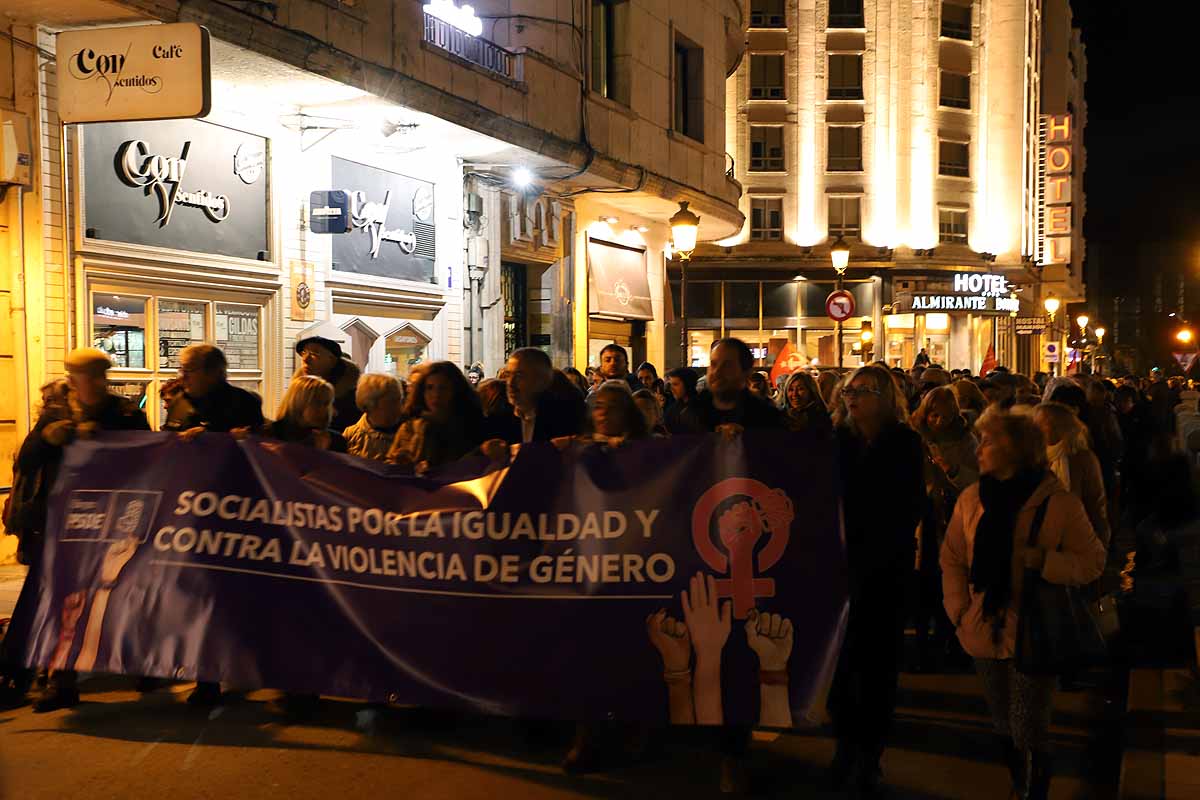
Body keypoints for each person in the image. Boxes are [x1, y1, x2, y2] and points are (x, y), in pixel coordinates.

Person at [941, 410, 1105, 800]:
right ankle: (1019, 782)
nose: (979, 450)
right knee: (1001, 721)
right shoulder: (972, 498)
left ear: (1016, 450)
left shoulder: (1058, 503)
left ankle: (1035, 791)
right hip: (983, 622)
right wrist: (959, 610)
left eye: (990, 442)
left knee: (1028, 724)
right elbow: (953, 557)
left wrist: (1046, 562)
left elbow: (1092, 560)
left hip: (1036, 625)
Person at [1, 349, 150, 712]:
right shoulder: (54, 413)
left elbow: (148, 458)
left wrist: (106, 439)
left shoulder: (126, 414)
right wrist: (48, 438)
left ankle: (141, 660)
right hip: (58, 527)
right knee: (58, 602)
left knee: (116, 596)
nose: (98, 382)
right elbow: (26, 460)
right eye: (89, 375)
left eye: (102, 374)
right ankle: (58, 680)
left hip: (109, 524)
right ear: (72, 378)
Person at [827, 365, 925, 796]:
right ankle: (844, 745)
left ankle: (871, 753)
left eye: (863, 391)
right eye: (848, 391)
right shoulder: (837, 442)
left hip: (884, 569)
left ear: (885, 397)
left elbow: (908, 506)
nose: (853, 398)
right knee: (841, 666)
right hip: (840, 569)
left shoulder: (904, 444)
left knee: (879, 666)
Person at [910, 386, 979, 672]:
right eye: (933, 416)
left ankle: (948, 637)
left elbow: (977, 481)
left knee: (949, 577)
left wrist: (952, 470)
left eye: (944, 417)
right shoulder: (915, 438)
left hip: (952, 515)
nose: (937, 422)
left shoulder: (966, 440)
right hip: (921, 516)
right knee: (921, 578)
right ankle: (922, 640)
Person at [1033, 402, 1111, 548]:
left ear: (1061, 427)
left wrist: (1099, 540)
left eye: (1042, 423)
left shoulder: (1082, 458)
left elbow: (1095, 502)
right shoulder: (1035, 458)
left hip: (1075, 537)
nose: (1036, 429)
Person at [387, 362, 484, 472]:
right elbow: (390, 466)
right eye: (430, 388)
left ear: (456, 390)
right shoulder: (409, 428)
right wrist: (400, 464)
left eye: (443, 388)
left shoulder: (470, 427)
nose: (436, 394)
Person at [678, 339, 786, 435]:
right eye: (713, 364)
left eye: (727, 365)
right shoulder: (688, 414)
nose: (716, 371)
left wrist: (748, 437)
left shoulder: (766, 417)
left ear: (746, 373)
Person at [485, 347, 585, 446]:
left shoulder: (564, 419)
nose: (510, 383)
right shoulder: (498, 419)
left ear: (542, 379)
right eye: (508, 375)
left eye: (519, 375)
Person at [166, 344, 265, 437]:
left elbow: (257, 447)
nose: (182, 376)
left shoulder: (243, 403)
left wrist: (212, 437)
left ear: (213, 373)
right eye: (182, 369)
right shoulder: (178, 401)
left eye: (189, 370)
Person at [264, 375, 348, 452]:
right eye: (321, 404)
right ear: (299, 403)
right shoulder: (267, 436)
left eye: (329, 404)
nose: (332, 412)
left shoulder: (335, 441)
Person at [294, 336, 361, 432]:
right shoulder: (298, 389)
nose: (305, 359)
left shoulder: (353, 395)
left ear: (332, 360)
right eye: (304, 352)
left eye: (314, 354)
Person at [343, 374, 405, 461]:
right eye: (392, 402)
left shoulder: (409, 436)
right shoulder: (350, 436)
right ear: (371, 404)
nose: (400, 408)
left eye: (400, 401)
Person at [779, 370, 833, 436]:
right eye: (791, 390)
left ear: (811, 391)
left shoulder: (823, 417)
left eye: (800, 389)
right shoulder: (780, 417)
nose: (794, 394)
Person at [663, 367, 699, 435]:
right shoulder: (672, 408)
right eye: (671, 384)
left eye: (675, 384)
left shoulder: (701, 408)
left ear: (688, 384)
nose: (671, 389)